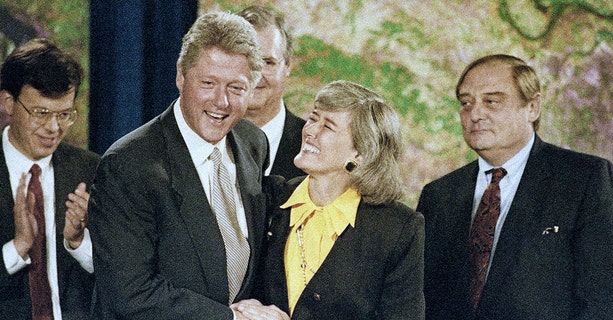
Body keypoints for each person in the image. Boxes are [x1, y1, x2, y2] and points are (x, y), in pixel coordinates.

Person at [416, 54, 613, 319]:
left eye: (492, 101)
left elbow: (607, 304)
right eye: (465, 103)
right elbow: (423, 300)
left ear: (532, 107)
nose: (475, 114)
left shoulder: (585, 180)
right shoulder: (438, 196)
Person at [88, 12, 274, 320]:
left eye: (236, 88)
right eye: (208, 83)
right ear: (180, 76)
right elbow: (130, 294)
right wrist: (232, 319)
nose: (221, 101)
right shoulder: (128, 166)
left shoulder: (253, 143)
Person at [233, 80, 425, 319]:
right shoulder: (272, 199)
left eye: (328, 126)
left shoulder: (397, 229)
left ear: (360, 152)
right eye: (314, 118)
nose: (310, 130)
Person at [0, 38, 100, 319]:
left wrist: (79, 242)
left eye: (64, 115)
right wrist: (18, 246)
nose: (53, 128)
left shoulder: (91, 171)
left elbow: (120, 278)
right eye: (41, 113)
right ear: (8, 102)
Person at [237, 5, 306, 180]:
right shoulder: (201, 139)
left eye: (268, 62)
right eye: (245, 61)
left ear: (288, 66)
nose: (255, 75)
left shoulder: (315, 146)